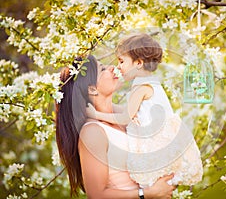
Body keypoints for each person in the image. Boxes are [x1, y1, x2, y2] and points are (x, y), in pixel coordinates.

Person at [86, 33, 203, 187]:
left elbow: (125, 118)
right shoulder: (151, 83)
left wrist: (96, 114)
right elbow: (132, 110)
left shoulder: (141, 88)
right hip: (165, 141)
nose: (118, 66)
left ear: (139, 63)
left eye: (122, 61)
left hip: (154, 143)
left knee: (148, 179)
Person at [55, 55, 176, 198]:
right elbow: (96, 195)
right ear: (92, 89)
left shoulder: (126, 118)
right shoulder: (93, 132)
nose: (113, 68)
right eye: (103, 69)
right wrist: (147, 194)